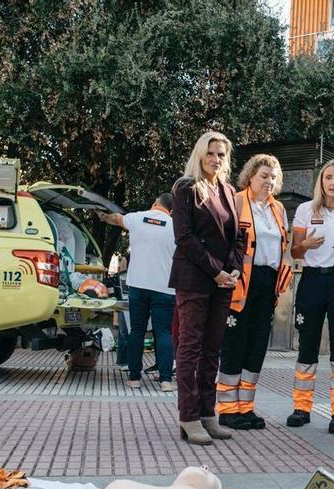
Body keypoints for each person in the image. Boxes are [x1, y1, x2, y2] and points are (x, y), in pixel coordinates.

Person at [169, 131, 244, 446]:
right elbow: (184, 238)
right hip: (195, 281)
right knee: (190, 349)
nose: (216, 159)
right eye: (210, 153)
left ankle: (208, 415)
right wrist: (216, 272)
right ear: (200, 155)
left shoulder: (228, 190)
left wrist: (234, 269)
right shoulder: (185, 188)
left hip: (223, 283)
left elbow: (238, 236)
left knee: (213, 350)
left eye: (221, 155)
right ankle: (189, 418)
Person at [287, 160, 334, 435]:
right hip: (311, 280)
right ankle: (301, 408)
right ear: (320, 181)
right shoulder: (306, 210)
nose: (333, 183)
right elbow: (295, 252)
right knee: (306, 345)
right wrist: (305, 244)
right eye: (328, 178)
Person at [216, 154, 292, 430]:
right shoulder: (236, 201)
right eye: (264, 176)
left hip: (268, 283)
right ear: (250, 177)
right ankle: (227, 409)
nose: (269, 181)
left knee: (257, 346)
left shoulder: (278, 210)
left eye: (273, 177)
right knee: (235, 344)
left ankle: (246, 407)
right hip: (240, 283)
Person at [99, 193, 177, 393]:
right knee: (164, 333)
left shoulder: (137, 217)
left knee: (137, 332)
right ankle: (166, 380)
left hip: (138, 286)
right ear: (171, 210)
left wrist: (103, 216)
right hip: (165, 288)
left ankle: (134, 378)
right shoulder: (175, 226)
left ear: (154, 203)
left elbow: (116, 218)